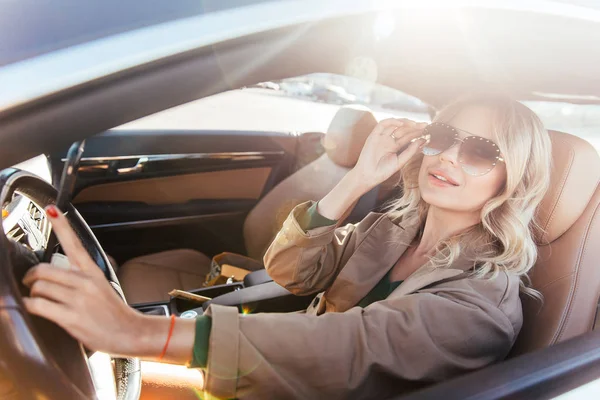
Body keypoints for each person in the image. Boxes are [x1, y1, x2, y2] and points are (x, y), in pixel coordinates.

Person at [22, 93, 551, 399]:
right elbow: (291, 271)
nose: (450, 156)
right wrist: (357, 179)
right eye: (444, 136)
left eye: (481, 150)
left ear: (514, 178)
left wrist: (139, 331)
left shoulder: (482, 304)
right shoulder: (395, 229)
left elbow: (347, 346)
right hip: (277, 372)